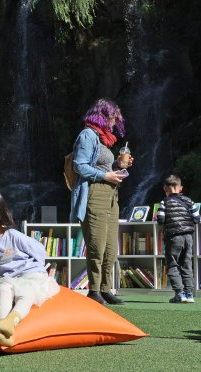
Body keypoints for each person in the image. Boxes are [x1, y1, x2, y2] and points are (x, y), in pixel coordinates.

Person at [0, 188, 60, 347]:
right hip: (7, 279)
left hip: (29, 274)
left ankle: (10, 322)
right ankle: (2, 331)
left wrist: (36, 269)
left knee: (26, 291)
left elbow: (39, 251)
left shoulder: (13, 235)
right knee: (3, 288)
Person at [69, 98, 131, 305]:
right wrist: (106, 176)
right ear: (103, 115)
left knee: (111, 247)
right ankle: (93, 289)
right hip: (95, 193)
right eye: (113, 117)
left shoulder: (104, 140)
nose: (115, 122)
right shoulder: (87, 135)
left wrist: (118, 165)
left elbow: (103, 167)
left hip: (112, 196)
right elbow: (79, 165)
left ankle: (106, 289)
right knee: (97, 245)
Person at [156, 174, 200, 303]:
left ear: (165, 188)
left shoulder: (164, 202)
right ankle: (189, 294)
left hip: (173, 237)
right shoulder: (189, 201)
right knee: (187, 264)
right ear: (180, 188)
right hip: (188, 237)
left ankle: (179, 294)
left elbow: (161, 219)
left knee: (172, 264)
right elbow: (197, 218)